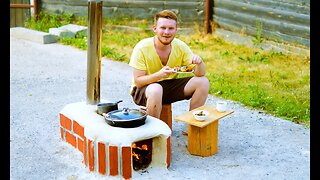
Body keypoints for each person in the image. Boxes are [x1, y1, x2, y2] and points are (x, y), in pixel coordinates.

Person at [129, 9, 210, 119]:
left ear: (176, 30)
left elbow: (200, 74)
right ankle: (153, 132)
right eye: (163, 28)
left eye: (171, 28)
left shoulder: (180, 46)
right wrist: (159, 75)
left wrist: (199, 63)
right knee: (156, 89)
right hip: (144, 91)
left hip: (167, 88)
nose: (167, 32)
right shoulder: (142, 47)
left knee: (203, 82)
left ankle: (193, 126)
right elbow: (138, 82)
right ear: (155, 29)